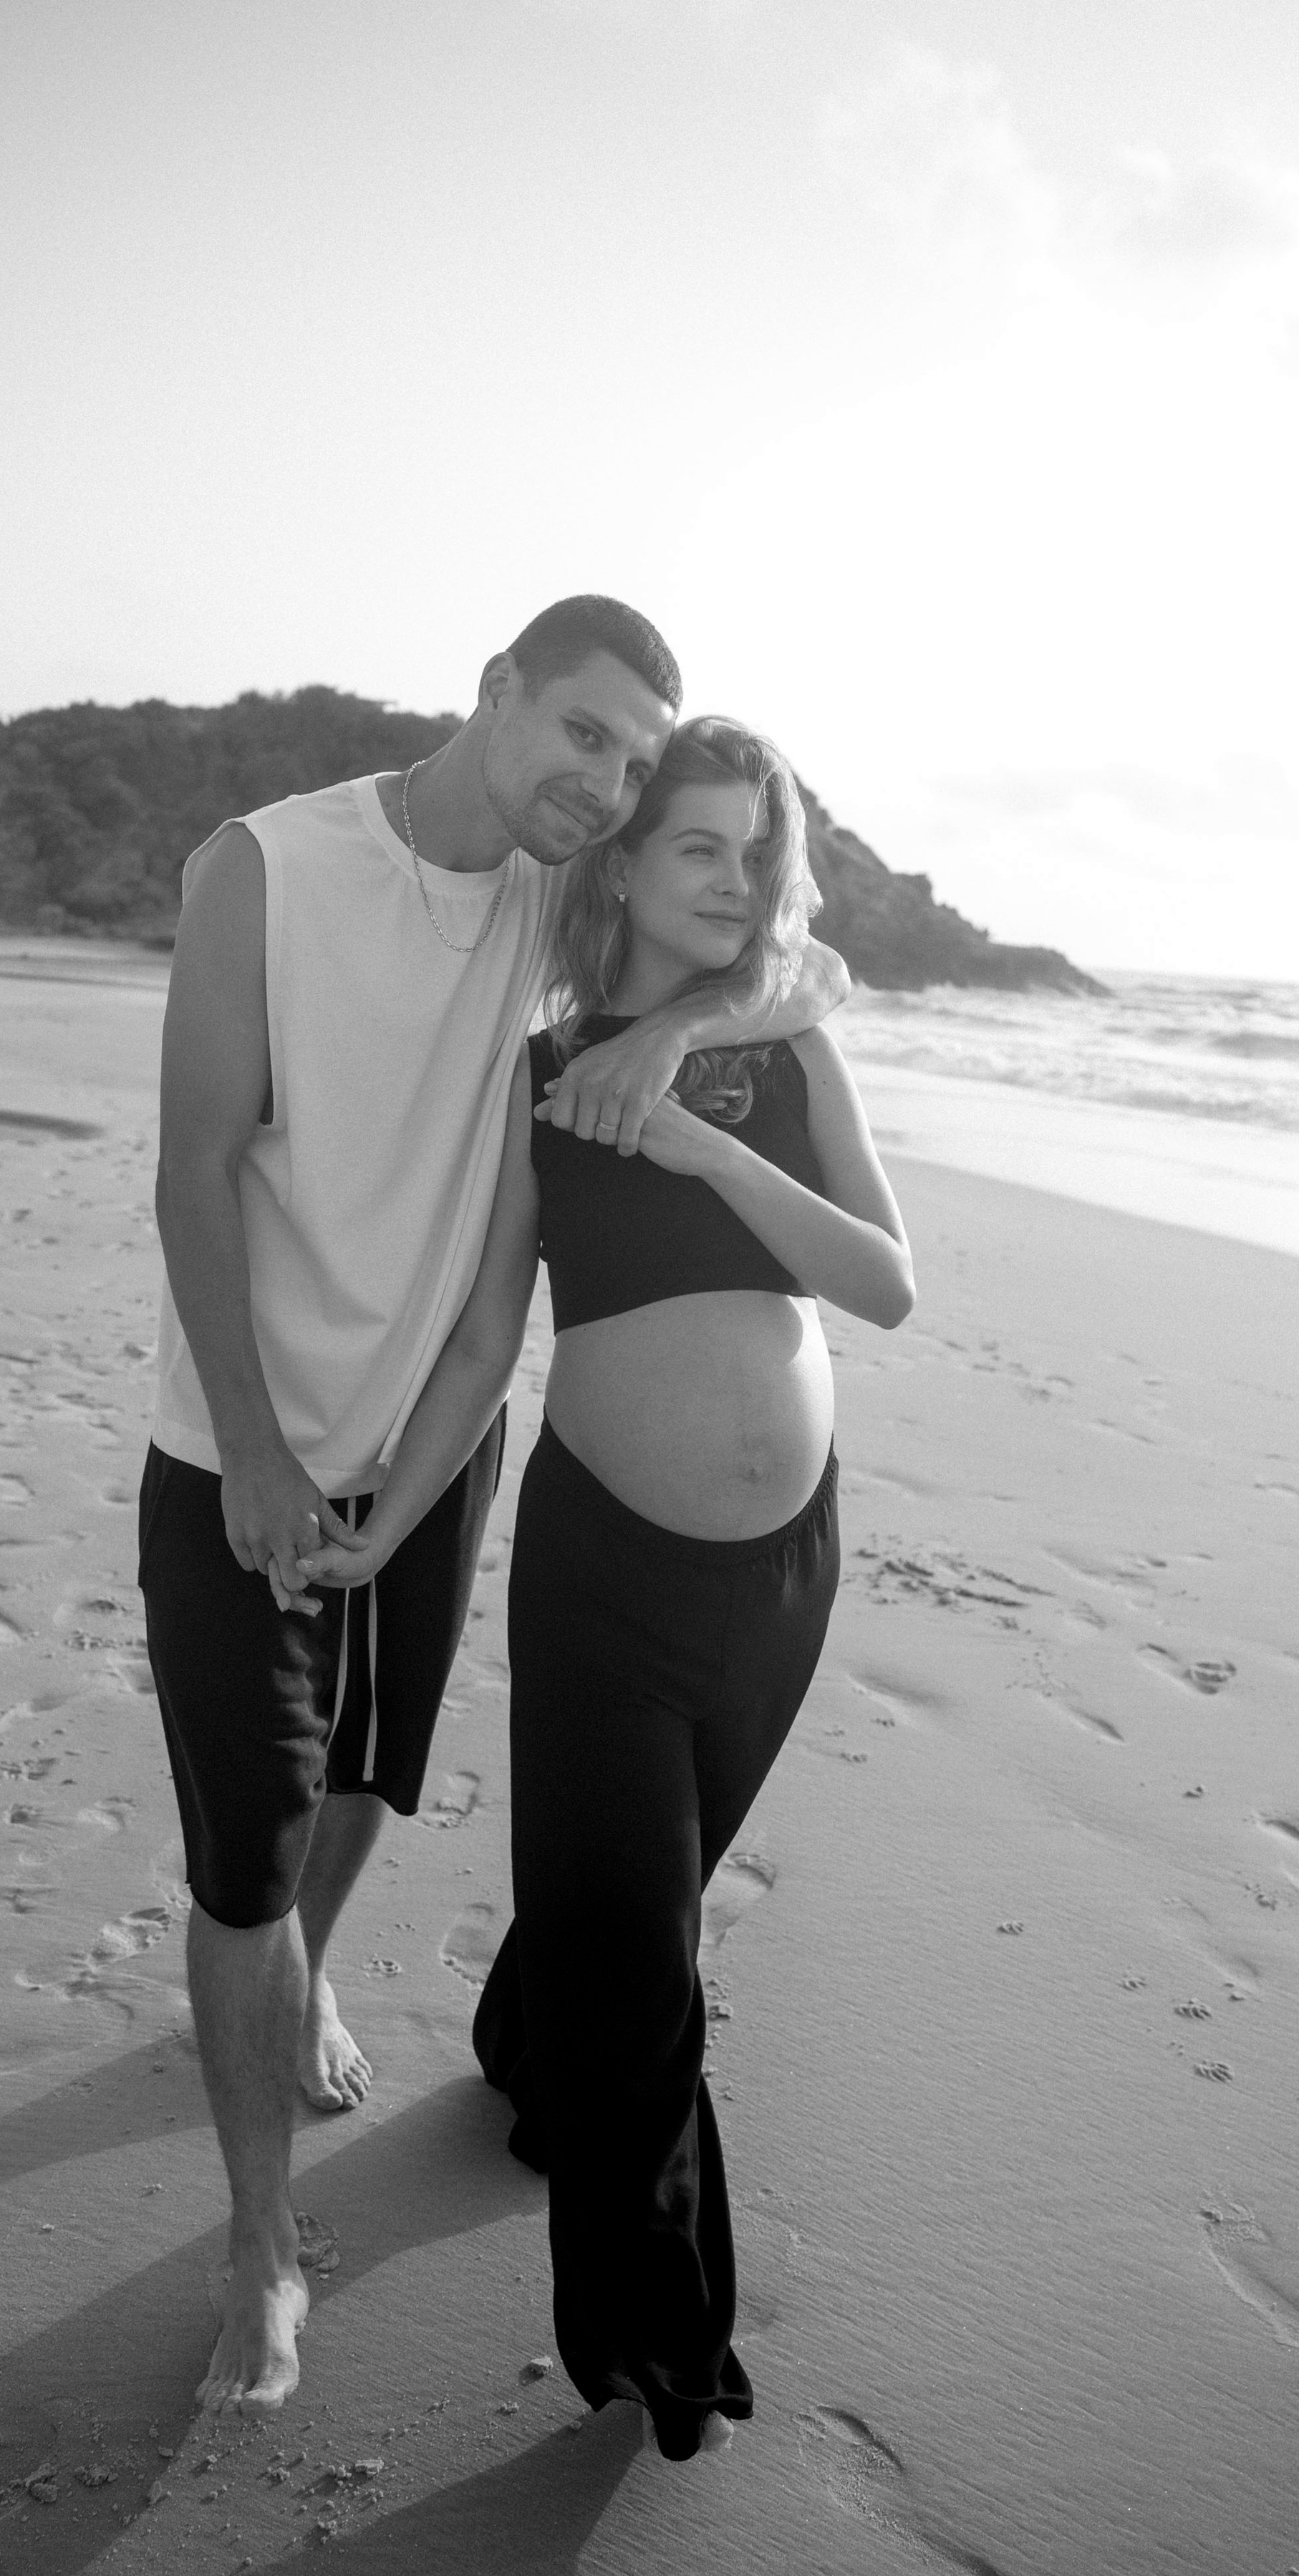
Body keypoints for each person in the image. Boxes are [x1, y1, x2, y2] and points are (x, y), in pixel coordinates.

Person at [140, 607, 851, 2419]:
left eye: (633, 761)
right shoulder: (269, 871)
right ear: (494, 694)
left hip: (439, 1448)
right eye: (587, 735)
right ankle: (256, 2246)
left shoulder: (559, 889)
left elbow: (796, 968)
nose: (602, 782)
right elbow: (192, 1173)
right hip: (247, 1447)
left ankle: (308, 1994)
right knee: (244, 1854)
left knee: (373, 1778)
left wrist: (676, 1034)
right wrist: (261, 1451)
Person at [300, 717, 914, 2459]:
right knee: (648, 1961)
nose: (728, 881)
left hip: (785, 1575)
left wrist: (700, 1132)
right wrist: (387, 1517)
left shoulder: (785, 1051)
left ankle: (520, 2024)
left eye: (751, 852)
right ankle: (659, 2350)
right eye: (696, 847)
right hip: (606, 1577)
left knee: (638, 1899)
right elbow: (492, 1331)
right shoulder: (546, 1074)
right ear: (626, 865)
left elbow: (881, 1282)